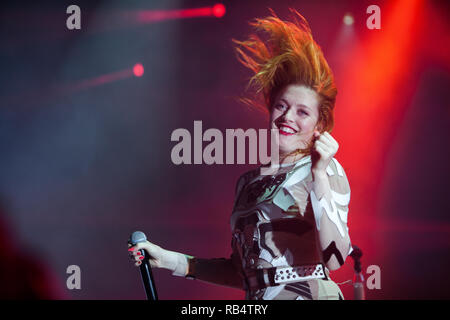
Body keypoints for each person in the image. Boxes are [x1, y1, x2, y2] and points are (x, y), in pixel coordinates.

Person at [128, 9, 352, 300]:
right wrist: (169, 259)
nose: (287, 117)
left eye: (302, 112)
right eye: (282, 106)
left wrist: (320, 174)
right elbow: (242, 272)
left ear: (319, 125)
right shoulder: (247, 183)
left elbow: (335, 258)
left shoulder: (323, 170)